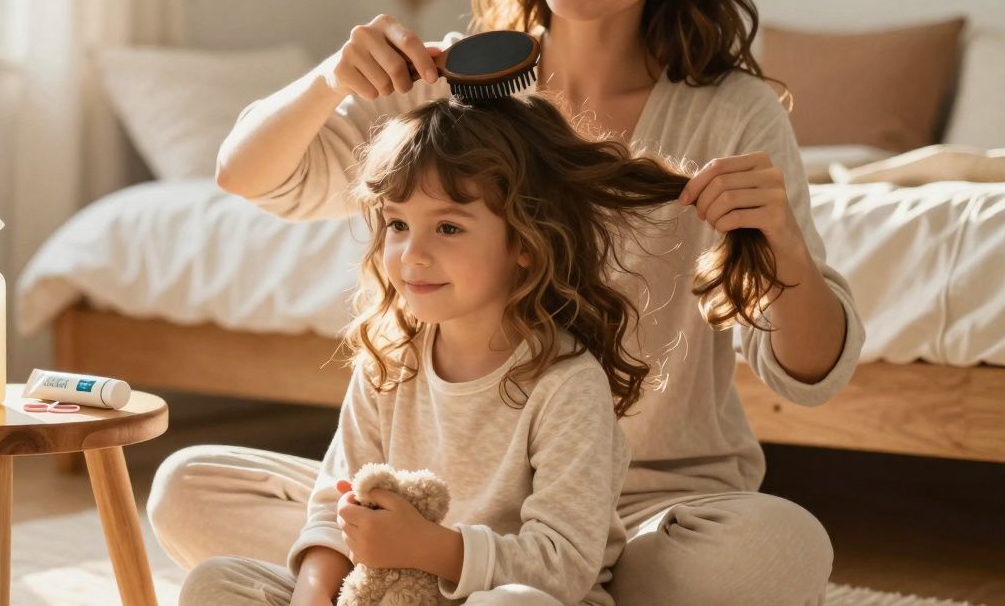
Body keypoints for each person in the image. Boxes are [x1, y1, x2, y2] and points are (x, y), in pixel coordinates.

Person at [152, 0, 865, 603]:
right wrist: (332, 77)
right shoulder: (449, 84)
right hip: (440, 498)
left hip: (655, 513)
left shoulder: (732, 113)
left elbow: (809, 374)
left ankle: (513, 580)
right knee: (185, 485)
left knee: (778, 547)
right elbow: (248, 176)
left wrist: (784, 250)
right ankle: (469, 574)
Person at [179, 94, 790, 605]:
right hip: (394, 593)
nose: (411, 255)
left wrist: (427, 548)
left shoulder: (566, 382)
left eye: (447, 227)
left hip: (513, 594)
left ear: (525, 241)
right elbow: (332, 508)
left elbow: (565, 567)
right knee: (216, 584)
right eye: (397, 225)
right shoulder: (390, 359)